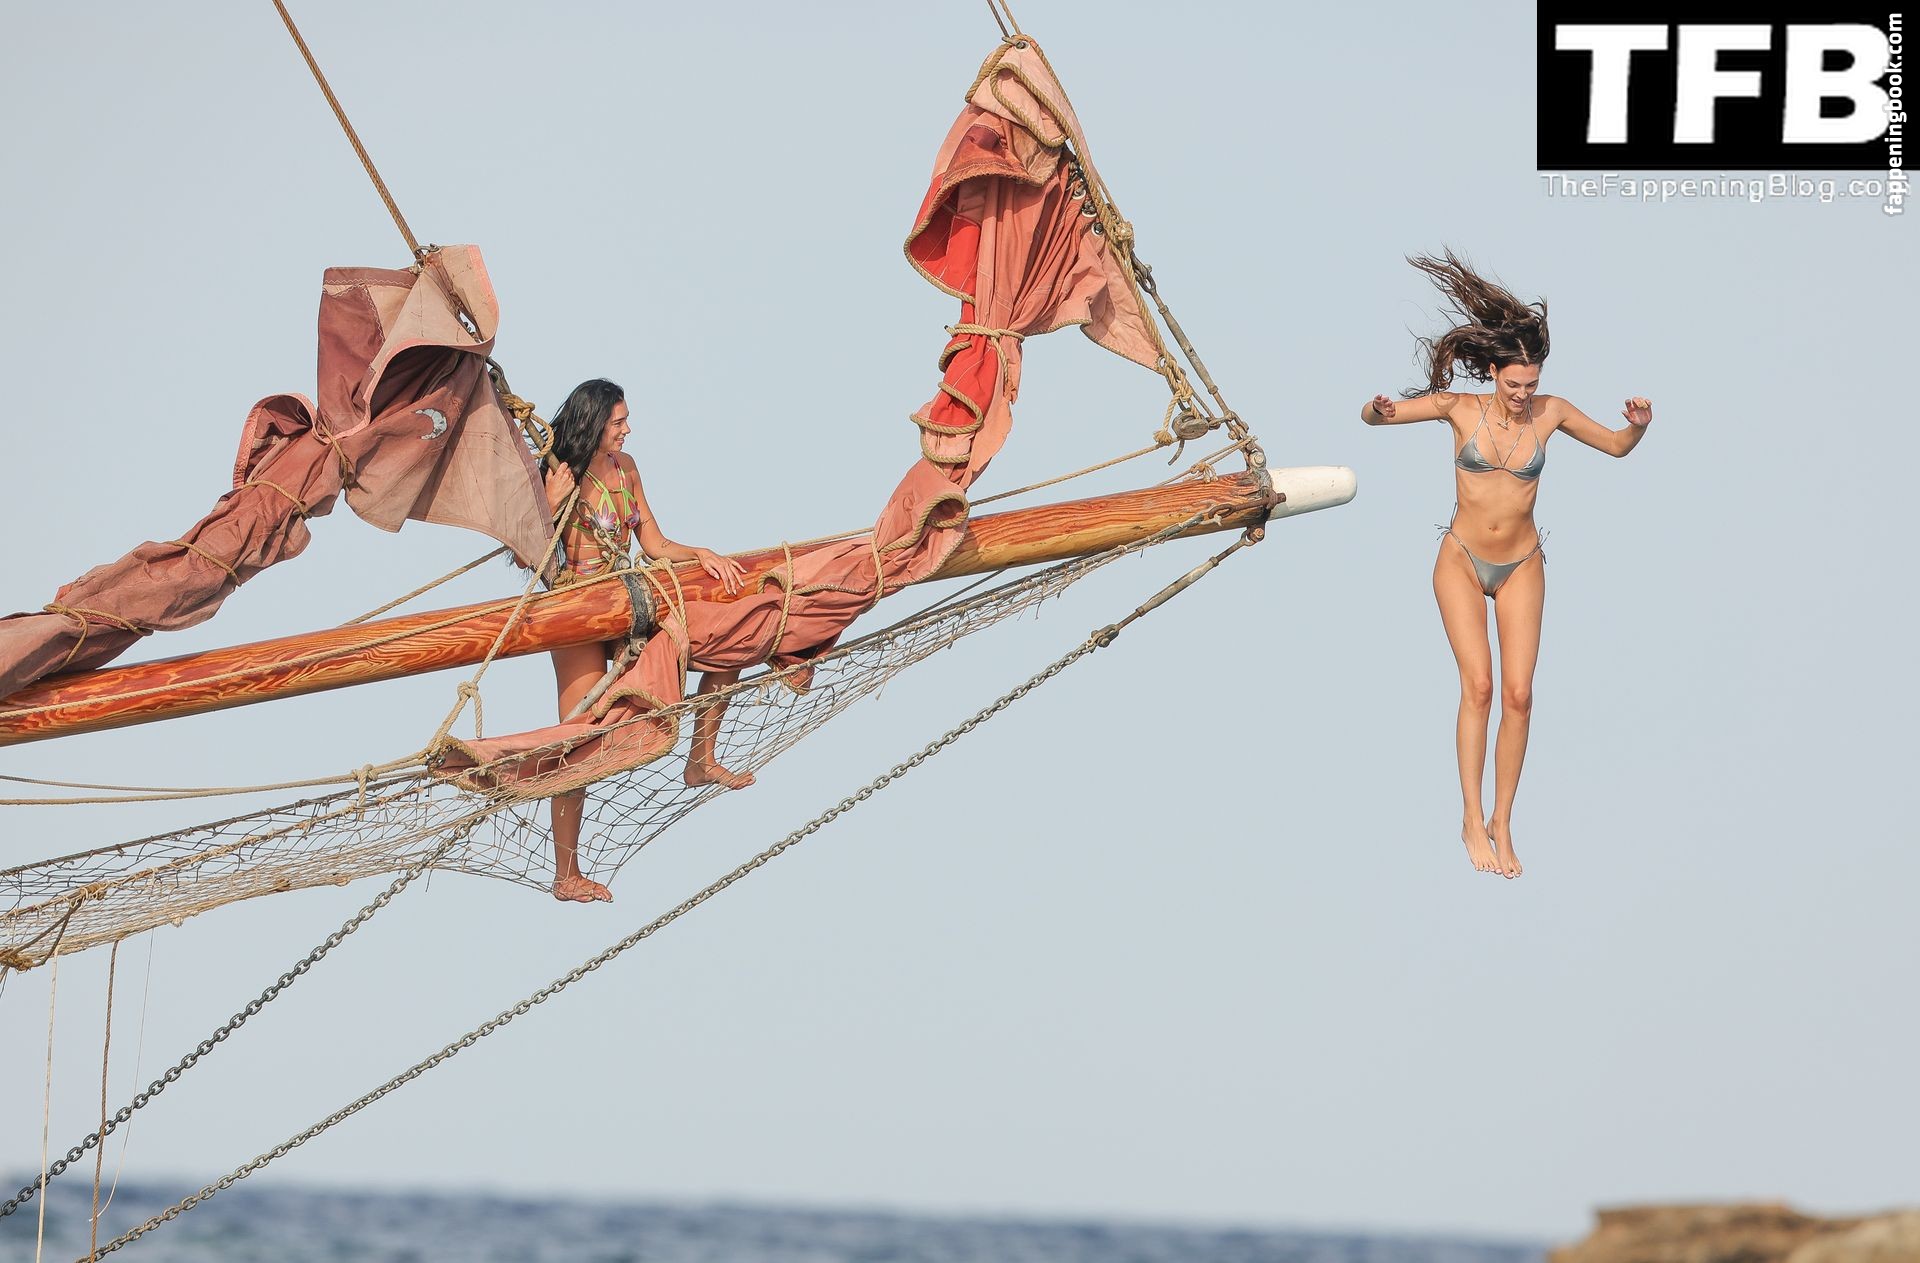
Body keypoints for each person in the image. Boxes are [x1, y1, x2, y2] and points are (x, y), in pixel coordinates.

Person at [1362, 251, 1651, 879]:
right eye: (1513, 384)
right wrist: (1379, 409)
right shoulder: (1460, 408)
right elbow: (1376, 418)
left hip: (1521, 562)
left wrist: (1638, 427)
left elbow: (1616, 447)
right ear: (1493, 372)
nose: (1522, 396)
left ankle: (1503, 820)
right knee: (1481, 687)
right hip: (1462, 560)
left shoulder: (1553, 411)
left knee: (1519, 696)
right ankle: (1470, 817)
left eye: (1530, 384)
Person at [541, 379, 750, 902]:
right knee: (576, 741)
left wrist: (700, 553)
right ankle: (566, 874)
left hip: (629, 603)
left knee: (728, 643)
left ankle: (700, 759)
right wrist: (550, 503)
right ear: (593, 423)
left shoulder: (627, 468)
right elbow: (532, 558)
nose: (627, 429)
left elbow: (653, 543)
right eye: (619, 422)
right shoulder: (557, 471)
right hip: (576, 613)